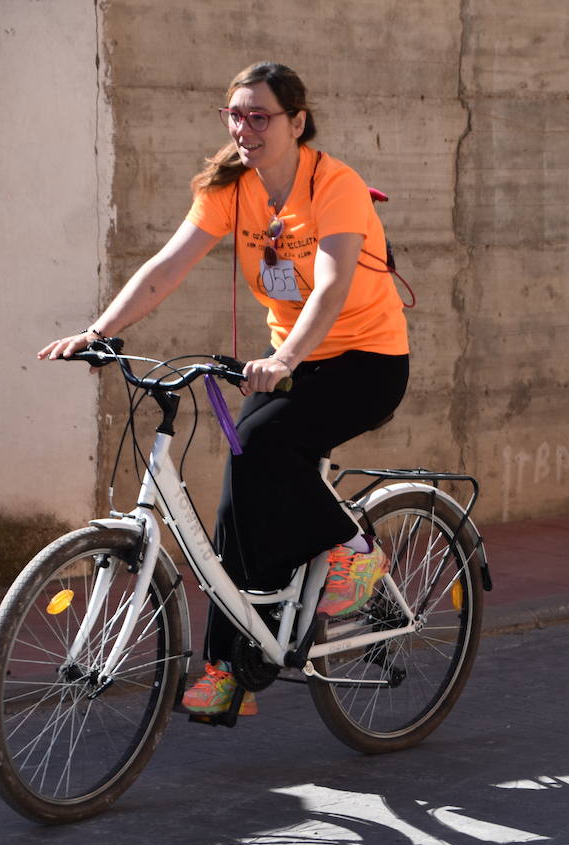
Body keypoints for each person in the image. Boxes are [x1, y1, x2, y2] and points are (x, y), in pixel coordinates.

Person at [37, 62, 409, 717]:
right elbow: (167, 266)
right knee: (239, 493)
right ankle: (230, 668)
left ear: (296, 122)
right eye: (235, 115)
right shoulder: (230, 189)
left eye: (259, 116)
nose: (245, 128)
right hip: (292, 360)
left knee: (264, 445)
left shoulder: (334, 184)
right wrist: (100, 333)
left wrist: (285, 356)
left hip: (366, 360)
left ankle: (356, 551)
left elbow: (332, 284)